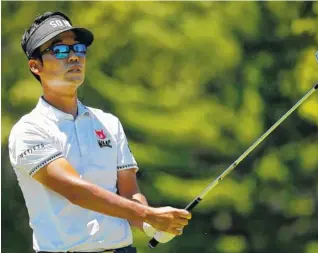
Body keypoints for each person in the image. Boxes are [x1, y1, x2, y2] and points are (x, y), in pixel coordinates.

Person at [8, 11, 191, 253]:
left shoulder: (108, 123)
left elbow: (129, 192)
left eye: (79, 49)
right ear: (35, 66)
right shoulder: (28, 130)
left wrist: (149, 224)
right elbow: (77, 192)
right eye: (60, 50)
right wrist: (148, 214)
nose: (74, 57)